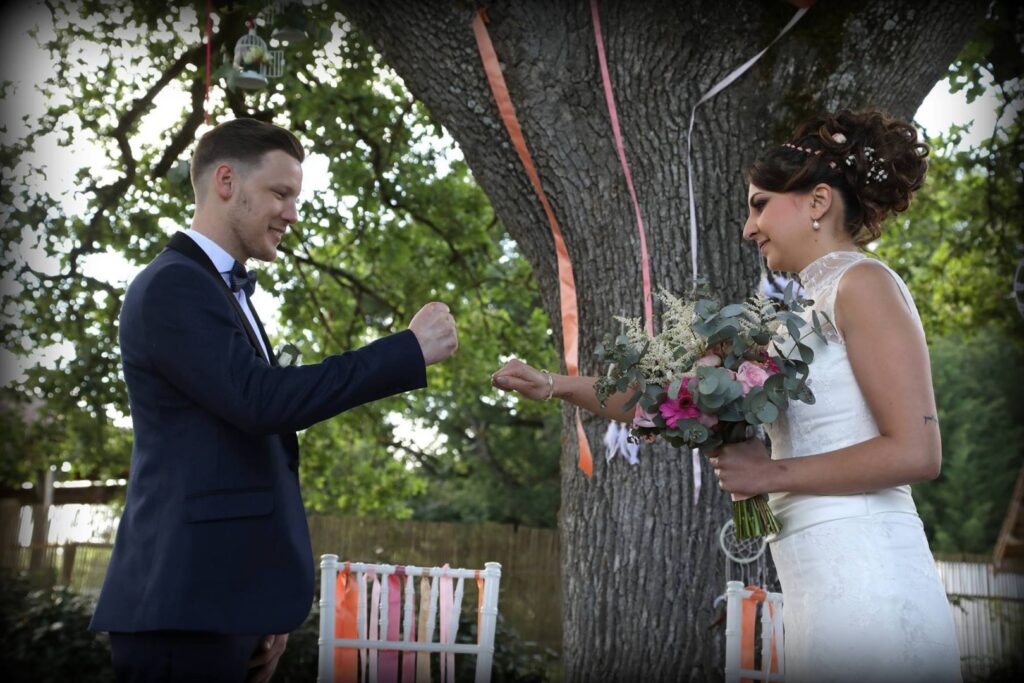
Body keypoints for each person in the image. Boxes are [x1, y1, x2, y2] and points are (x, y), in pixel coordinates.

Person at [491, 109, 961, 682]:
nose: (747, 228)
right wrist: (555, 384)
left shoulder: (864, 285)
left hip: (869, 573)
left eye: (760, 204)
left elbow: (917, 452)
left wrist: (770, 476)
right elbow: (662, 399)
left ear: (817, 202)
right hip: (812, 577)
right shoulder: (791, 318)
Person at [89, 118, 458, 682]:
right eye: (281, 193)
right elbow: (263, 401)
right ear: (227, 182)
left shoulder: (221, 289)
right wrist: (406, 351)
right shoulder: (173, 285)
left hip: (225, 602)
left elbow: (244, 443)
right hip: (183, 608)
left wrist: (260, 604)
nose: (292, 213)